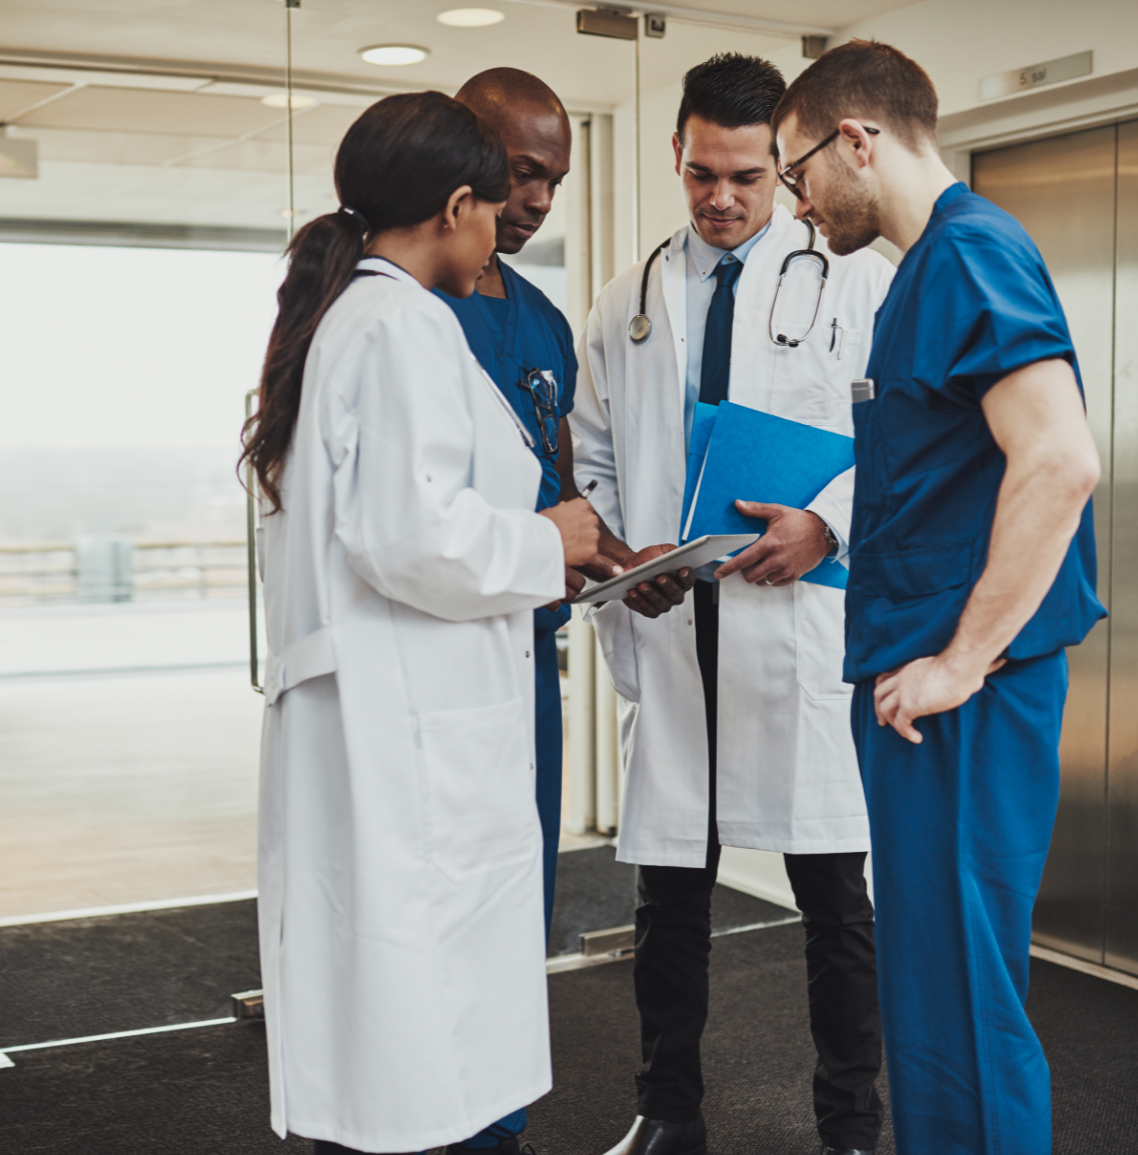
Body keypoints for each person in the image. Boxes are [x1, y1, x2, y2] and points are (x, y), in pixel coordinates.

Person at [243, 91, 602, 1155]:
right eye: (496, 205)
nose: (505, 228)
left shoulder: (352, 316)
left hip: (386, 710)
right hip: (406, 723)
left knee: (386, 1002)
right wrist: (555, 544)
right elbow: (412, 539)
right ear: (456, 206)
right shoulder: (400, 324)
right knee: (416, 1005)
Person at [771, 40, 1104, 1155]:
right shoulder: (919, 276)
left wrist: (962, 660)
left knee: (966, 993)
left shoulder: (971, 253)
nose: (797, 202)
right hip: (922, 697)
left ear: (855, 141)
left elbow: (1059, 461)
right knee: (930, 988)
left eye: (795, 170)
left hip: (965, 695)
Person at [571, 53, 893, 1155]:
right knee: (669, 904)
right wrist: (623, 551)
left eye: (748, 178)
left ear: (782, 165)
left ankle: (851, 1124)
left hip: (793, 627)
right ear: (676, 152)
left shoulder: (852, 273)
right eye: (703, 173)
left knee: (836, 902)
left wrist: (829, 523)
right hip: (672, 629)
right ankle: (668, 1113)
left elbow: (903, 440)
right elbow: (592, 454)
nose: (721, 198)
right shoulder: (630, 298)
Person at [435, 66, 588, 1154]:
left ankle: (495, 1134)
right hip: (431, 664)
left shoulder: (540, 321)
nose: (536, 202)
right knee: (427, 916)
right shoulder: (394, 304)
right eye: (521, 174)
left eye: (554, 181)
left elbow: (559, 488)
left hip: (526, 659)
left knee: (510, 917)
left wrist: (630, 559)